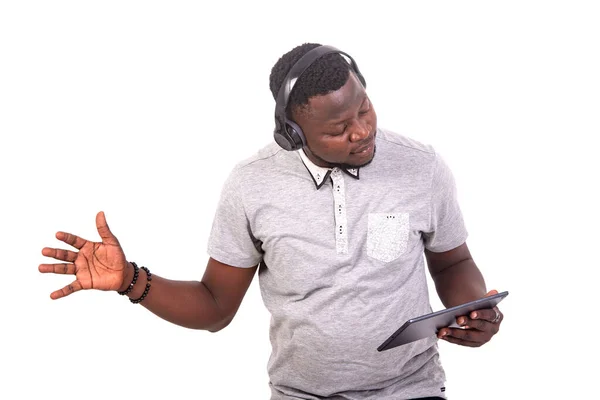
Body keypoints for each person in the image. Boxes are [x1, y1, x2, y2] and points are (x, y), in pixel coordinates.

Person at [39, 43, 504, 400]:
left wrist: (472, 310)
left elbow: (452, 263)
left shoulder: (421, 166)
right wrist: (130, 280)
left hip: (411, 389)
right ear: (293, 133)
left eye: (363, 109)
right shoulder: (251, 186)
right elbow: (215, 307)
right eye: (338, 128)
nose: (362, 131)